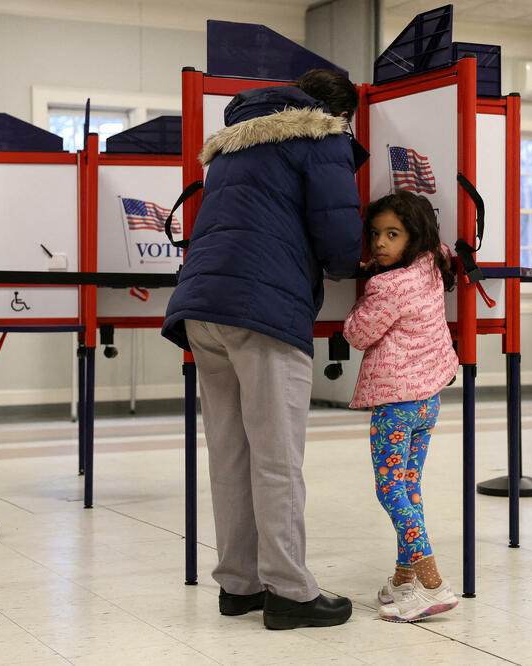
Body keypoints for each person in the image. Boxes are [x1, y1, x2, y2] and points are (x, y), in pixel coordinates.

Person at [162, 69, 365, 630]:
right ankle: (291, 592)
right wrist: (365, 264)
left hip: (202, 306)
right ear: (338, 112)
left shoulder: (235, 143)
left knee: (230, 454)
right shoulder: (322, 137)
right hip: (262, 310)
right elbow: (340, 238)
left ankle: (240, 584)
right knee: (277, 458)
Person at [342, 190, 460, 622]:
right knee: (408, 487)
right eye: (375, 234)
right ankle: (403, 578)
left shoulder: (386, 285)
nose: (379, 244)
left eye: (392, 235)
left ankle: (432, 583)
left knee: (389, 489)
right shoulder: (434, 262)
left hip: (394, 404)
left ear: (413, 238)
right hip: (428, 401)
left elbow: (357, 334)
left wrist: (363, 292)